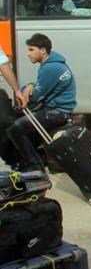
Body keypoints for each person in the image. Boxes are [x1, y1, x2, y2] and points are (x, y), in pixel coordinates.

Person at [6, 34, 76, 172]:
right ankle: (33, 158)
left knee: (15, 128)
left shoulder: (50, 68)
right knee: (18, 122)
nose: (28, 54)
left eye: (31, 50)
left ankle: (35, 165)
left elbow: (35, 97)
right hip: (59, 110)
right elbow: (41, 87)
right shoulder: (54, 64)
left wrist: (25, 89)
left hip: (57, 112)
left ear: (43, 50)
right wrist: (31, 86)